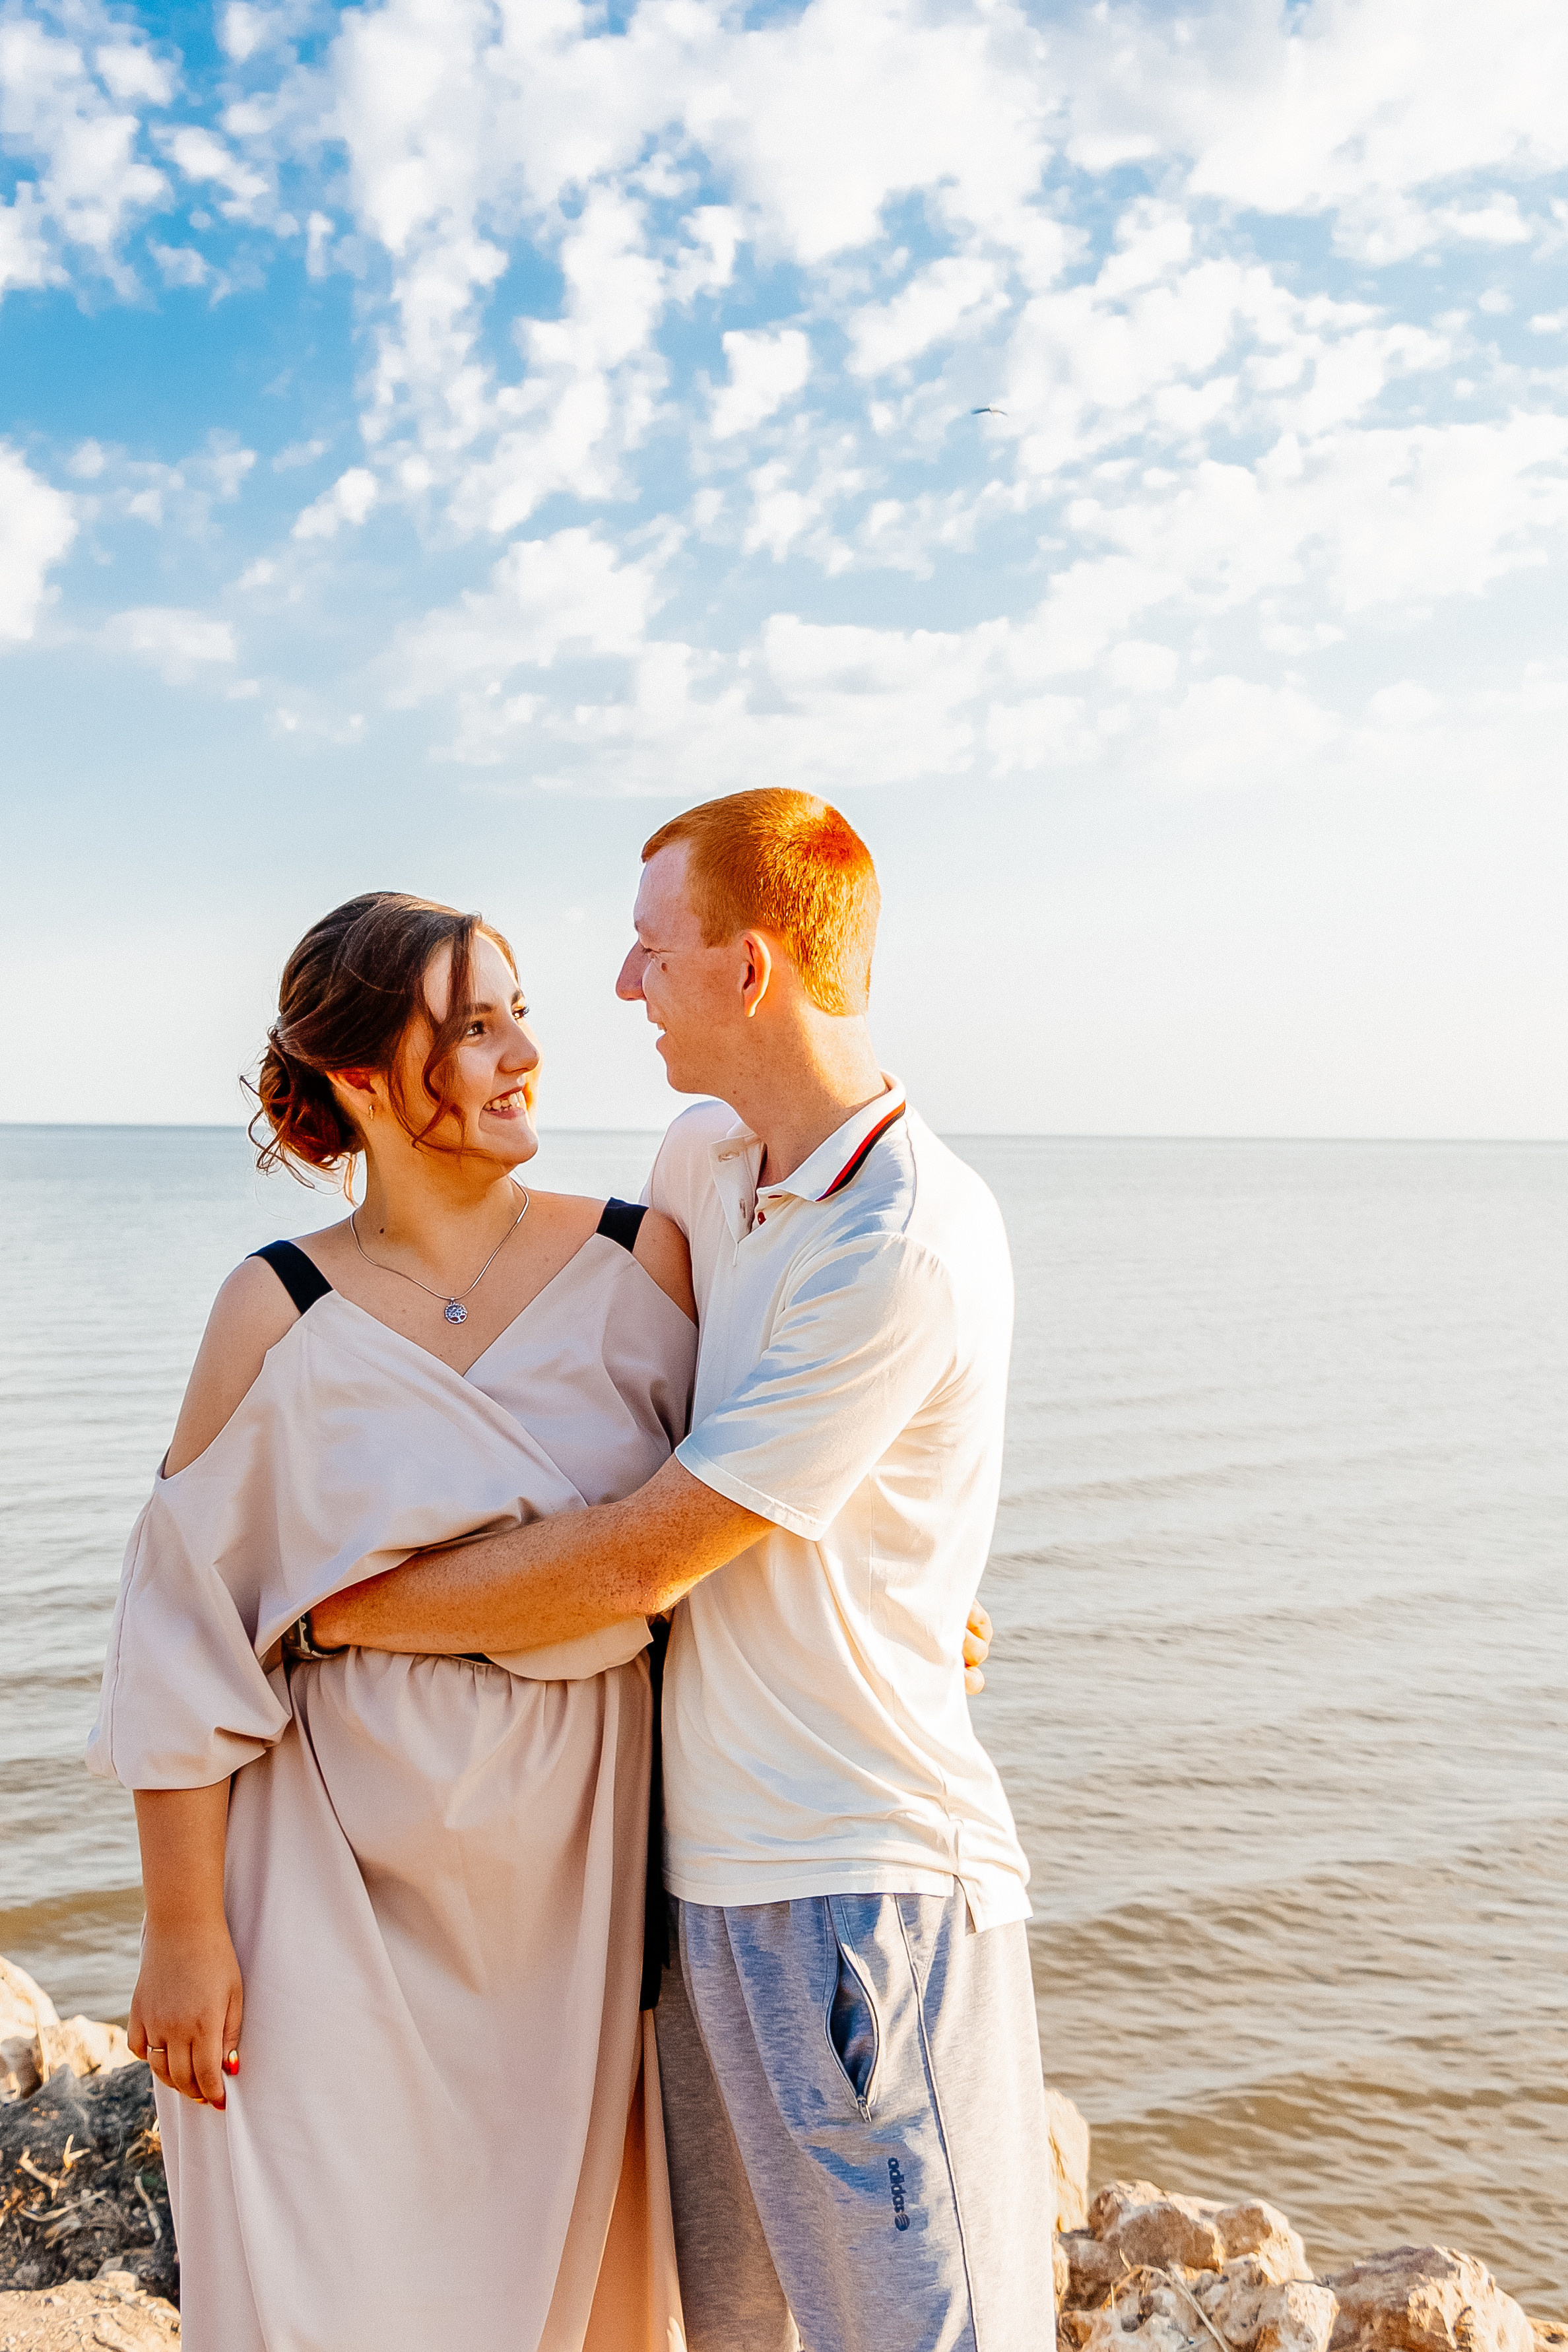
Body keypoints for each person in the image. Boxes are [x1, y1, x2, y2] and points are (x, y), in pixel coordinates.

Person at [313, 791, 1056, 2352]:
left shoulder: (902, 1242)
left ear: (752, 968)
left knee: (926, 2337)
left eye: (651, 952)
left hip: (862, 1886)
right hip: (700, 1885)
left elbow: (644, 1554)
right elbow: (620, 1417)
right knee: (730, 2334)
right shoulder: (709, 1161)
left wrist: (348, 1611)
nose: (621, 988)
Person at [88, 892, 700, 2352]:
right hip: (316, 1907)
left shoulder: (642, 1261)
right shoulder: (274, 1306)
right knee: (325, 2297)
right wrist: (184, 1931)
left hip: (575, 1907)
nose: (523, 1054)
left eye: (519, 1014)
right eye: (474, 1027)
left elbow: (753, 1513)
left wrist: (915, 1615)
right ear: (363, 1078)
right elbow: (182, 1632)